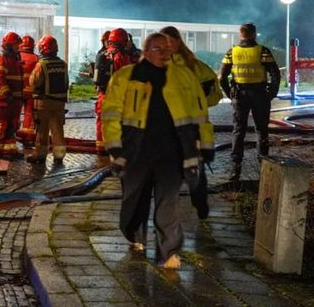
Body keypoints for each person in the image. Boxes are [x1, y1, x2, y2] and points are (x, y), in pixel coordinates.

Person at [103, 32, 211, 270]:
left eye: (167, 49)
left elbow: (200, 113)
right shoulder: (125, 78)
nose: (164, 54)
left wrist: (205, 144)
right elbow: (110, 114)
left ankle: (169, 251)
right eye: (158, 49)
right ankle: (135, 235)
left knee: (168, 202)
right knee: (134, 200)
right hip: (135, 151)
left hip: (172, 153)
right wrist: (114, 146)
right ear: (145, 50)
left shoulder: (183, 78)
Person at [161, 25, 219, 217]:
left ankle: (200, 204)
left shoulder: (194, 67)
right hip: (165, 127)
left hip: (189, 129)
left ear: (178, 42)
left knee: (194, 170)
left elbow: (213, 95)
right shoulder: (156, 66)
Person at [219, 22, 281, 181]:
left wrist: (230, 95)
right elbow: (275, 74)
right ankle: (265, 168)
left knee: (239, 130)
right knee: (261, 130)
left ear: (241, 34)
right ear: (254, 34)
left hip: (240, 95)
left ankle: (235, 168)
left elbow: (222, 77)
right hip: (260, 95)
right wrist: (271, 94)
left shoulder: (232, 52)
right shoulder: (263, 51)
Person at [97, 29, 139, 155]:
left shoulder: (103, 54)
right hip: (118, 96)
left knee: (102, 121)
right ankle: (117, 147)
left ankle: (101, 148)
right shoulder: (122, 56)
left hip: (103, 95)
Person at [28, 35, 69, 162]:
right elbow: (66, 83)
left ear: (42, 49)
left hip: (43, 103)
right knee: (58, 130)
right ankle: (59, 155)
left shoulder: (42, 65)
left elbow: (34, 82)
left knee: (42, 130)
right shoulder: (63, 64)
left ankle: (40, 155)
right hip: (59, 104)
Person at [0, 32, 25, 159]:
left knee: (14, 125)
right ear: (9, 45)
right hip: (5, 100)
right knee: (5, 125)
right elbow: (0, 78)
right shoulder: (2, 59)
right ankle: (1, 150)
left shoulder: (15, 58)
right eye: (16, 45)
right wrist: (7, 93)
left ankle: (11, 150)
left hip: (15, 99)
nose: (19, 47)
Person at [19, 35, 40, 136]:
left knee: (14, 114)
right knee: (29, 113)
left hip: (17, 91)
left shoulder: (16, 57)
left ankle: (13, 134)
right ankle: (27, 135)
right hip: (31, 92)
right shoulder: (36, 58)